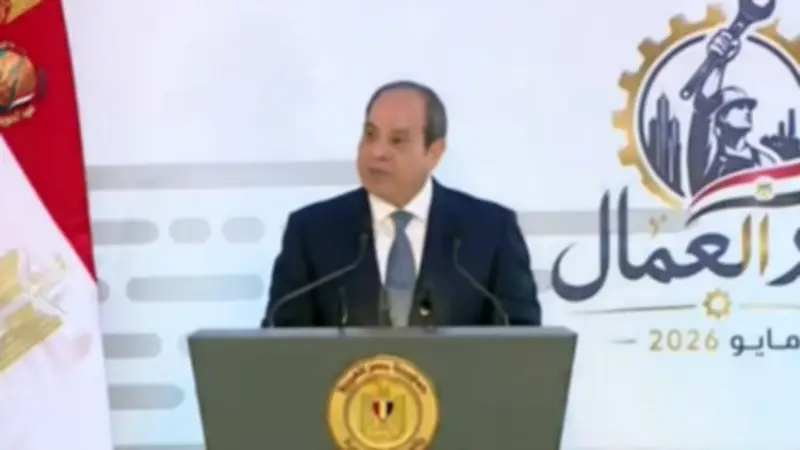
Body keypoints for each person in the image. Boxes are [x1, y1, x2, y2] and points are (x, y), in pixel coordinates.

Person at [262, 80, 541, 327]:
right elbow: (280, 343)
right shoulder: (311, 231)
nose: (377, 151)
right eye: (370, 135)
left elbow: (523, 342)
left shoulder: (492, 230)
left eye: (397, 140)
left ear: (434, 153)